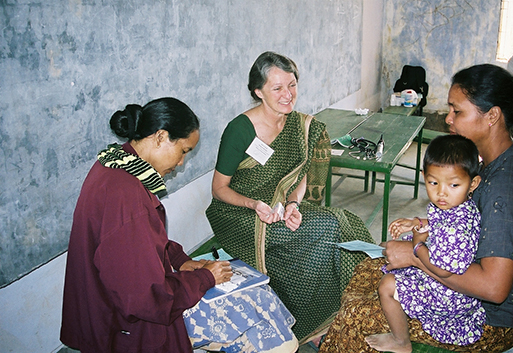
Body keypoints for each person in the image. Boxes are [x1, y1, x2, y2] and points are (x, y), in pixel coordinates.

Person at [320, 64, 513, 352]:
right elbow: (469, 221)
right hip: (468, 283)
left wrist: (414, 255)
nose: (448, 119)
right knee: (367, 271)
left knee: (359, 316)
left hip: (493, 317)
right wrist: (424, 225)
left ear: (492, 116)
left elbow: (494, 289)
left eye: (457, 111)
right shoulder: (495, 158)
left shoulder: (504, 188)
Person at [205, 51, 375, 341]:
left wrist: (294, 203)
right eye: (277, 88)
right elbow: (219, 190)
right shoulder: (240, 130)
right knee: (319, 233)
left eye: (292, 85)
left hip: (279, 205)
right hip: (239, 213)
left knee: (339, 220)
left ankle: (349, 306)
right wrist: (255, 204)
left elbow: (301, 174)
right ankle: (310, 320)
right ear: (258, 92)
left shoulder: (298, 125)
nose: (288, 95)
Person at [59, 98, 235, 353]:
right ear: (161, 137)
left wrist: (179, 259)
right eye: (183, 151)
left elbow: (143, 239)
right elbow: (144, 298)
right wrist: (204, 278)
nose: (181, 164)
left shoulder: (117, 163)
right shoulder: (125, 195)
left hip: (104, 309)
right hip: (123, 329)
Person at [366, 134, 484, 353]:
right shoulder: (459, 206)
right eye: (433, 182)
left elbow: (444, 272)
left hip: (450, 295)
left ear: (473, 183)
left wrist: (418, 247)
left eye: (454, 184)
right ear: (424, 176)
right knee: (388, 247)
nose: (441, 192)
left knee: (387, 286)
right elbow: (441, 223)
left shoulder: (459, 226)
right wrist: (417, 222)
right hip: (446, 281)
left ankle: (401, 341)